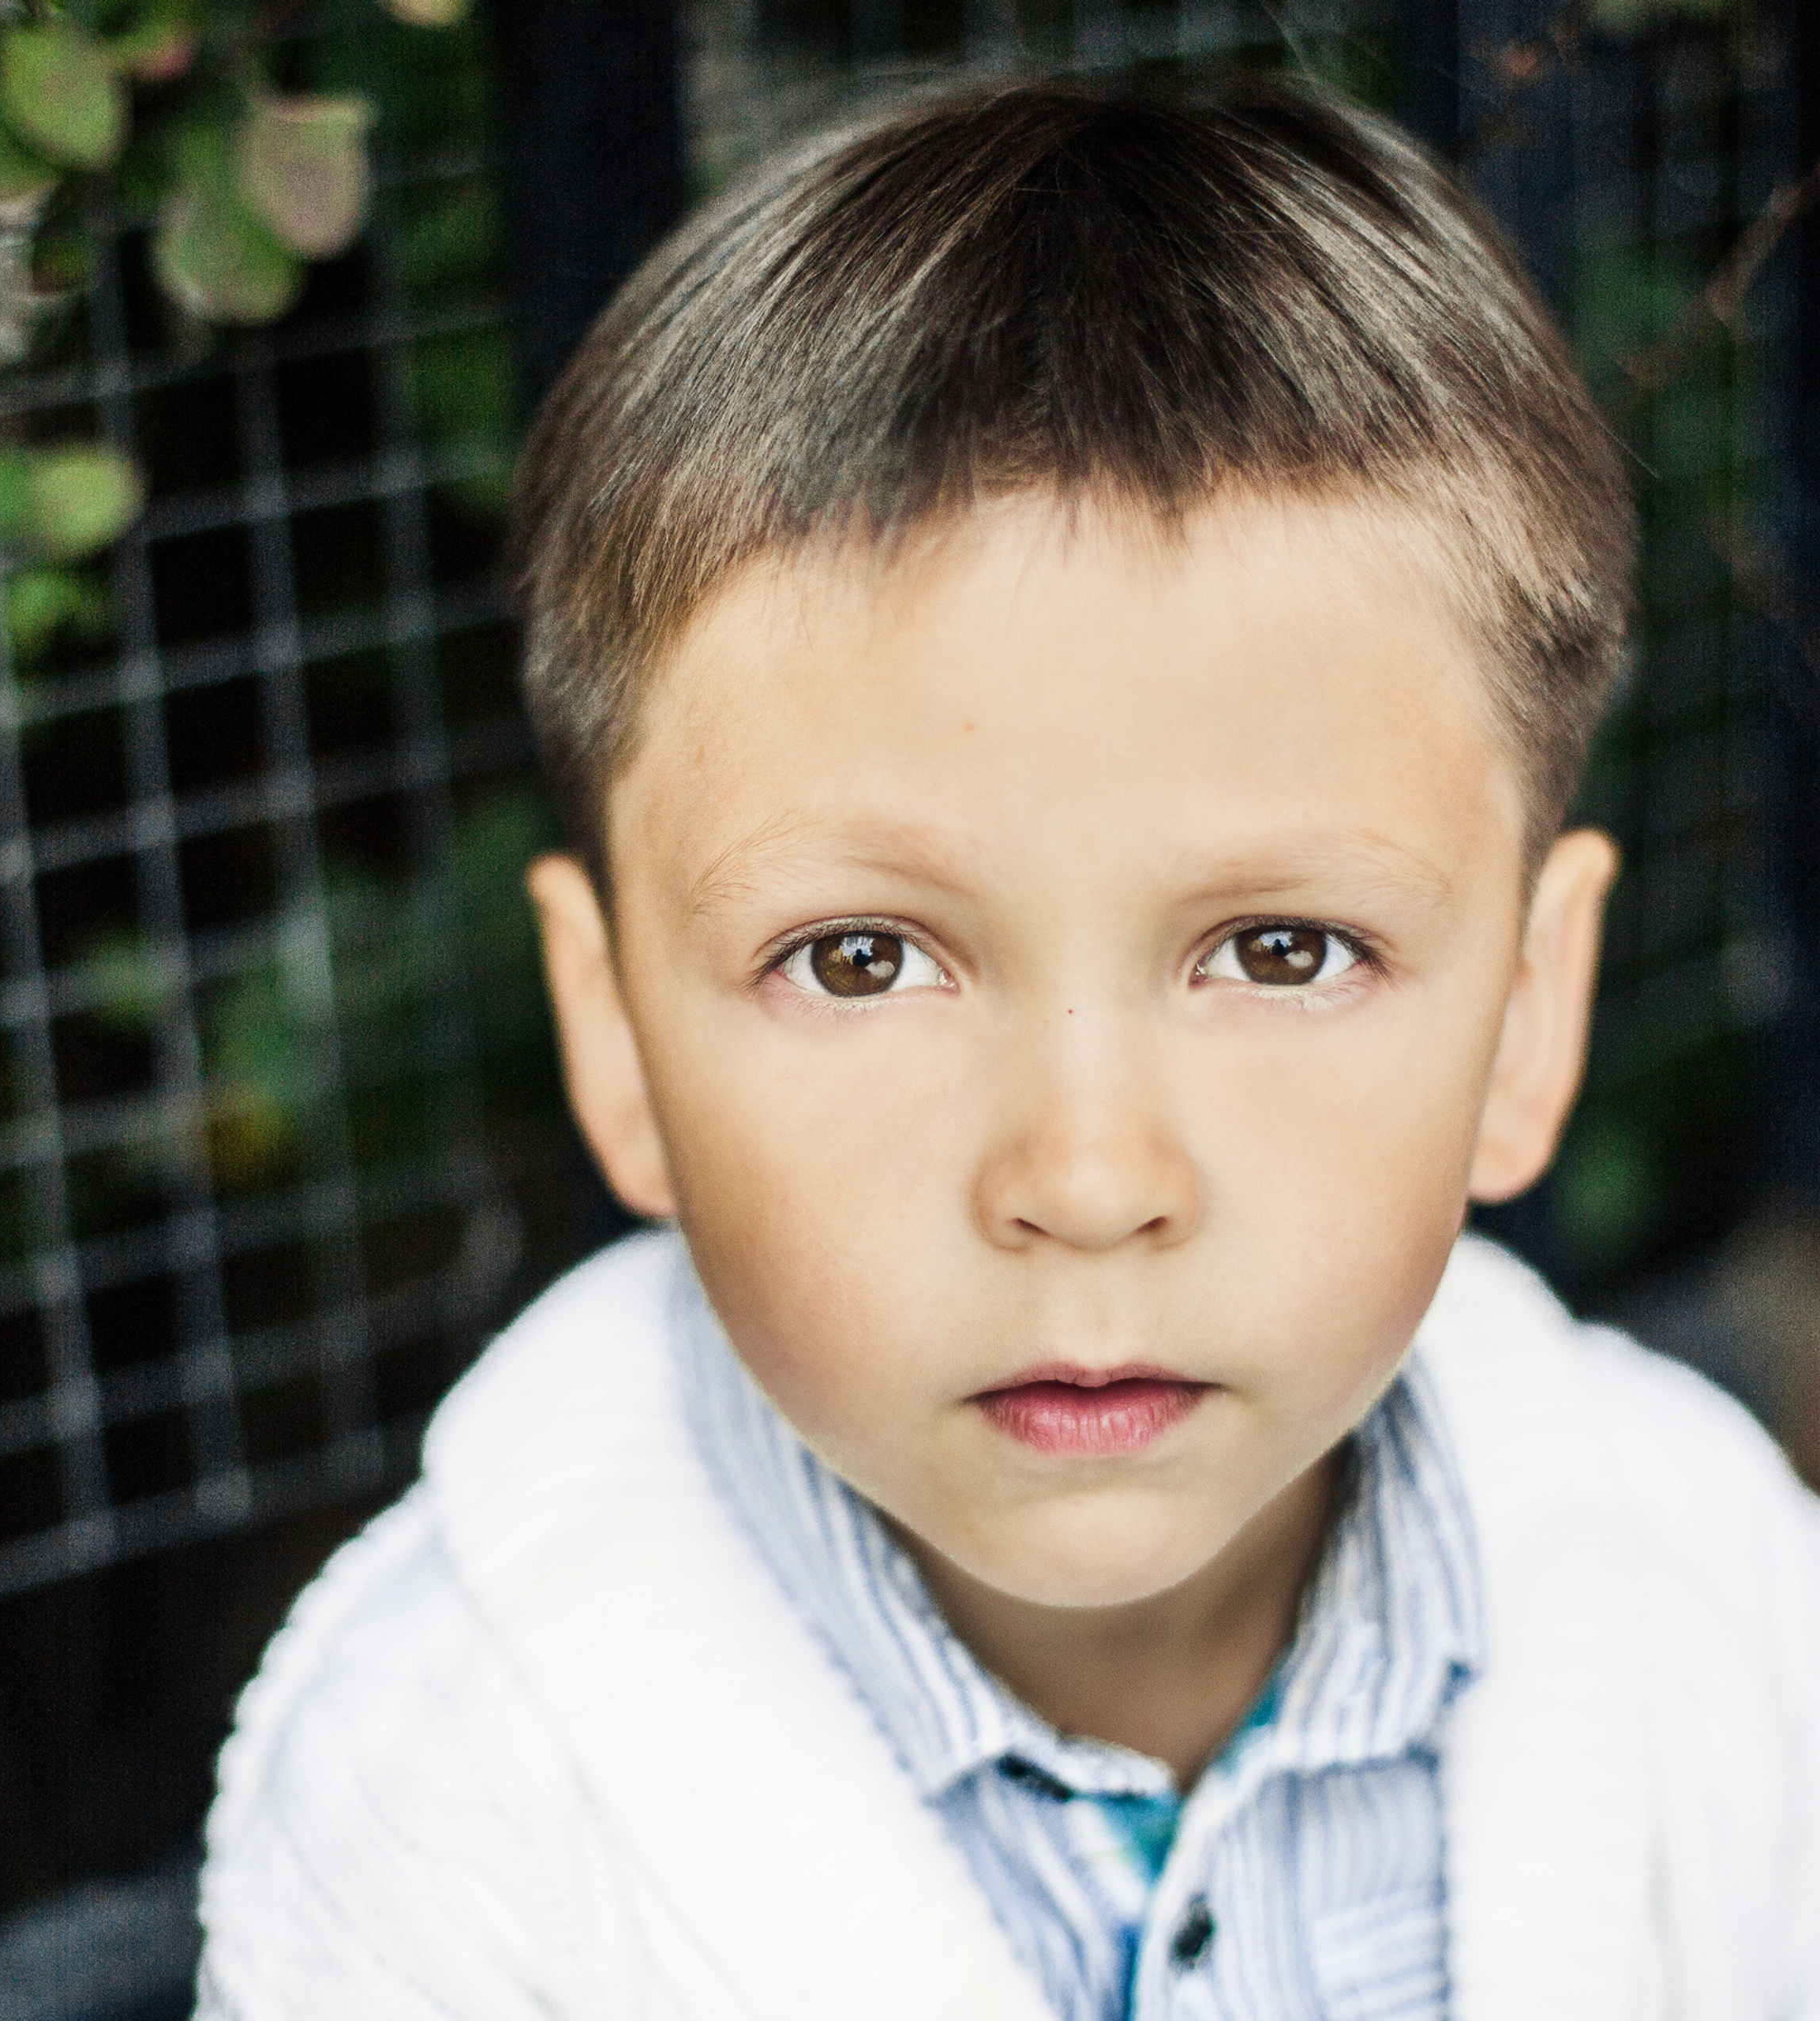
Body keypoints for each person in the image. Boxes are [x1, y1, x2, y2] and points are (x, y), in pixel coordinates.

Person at [193, 83, 1820, 2021]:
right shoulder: (436, 1818)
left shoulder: (1716, 1596)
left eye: (1280, 948)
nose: (1084, 1175)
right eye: (860, 958)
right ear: (614, 1030)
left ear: (1527, 1014)